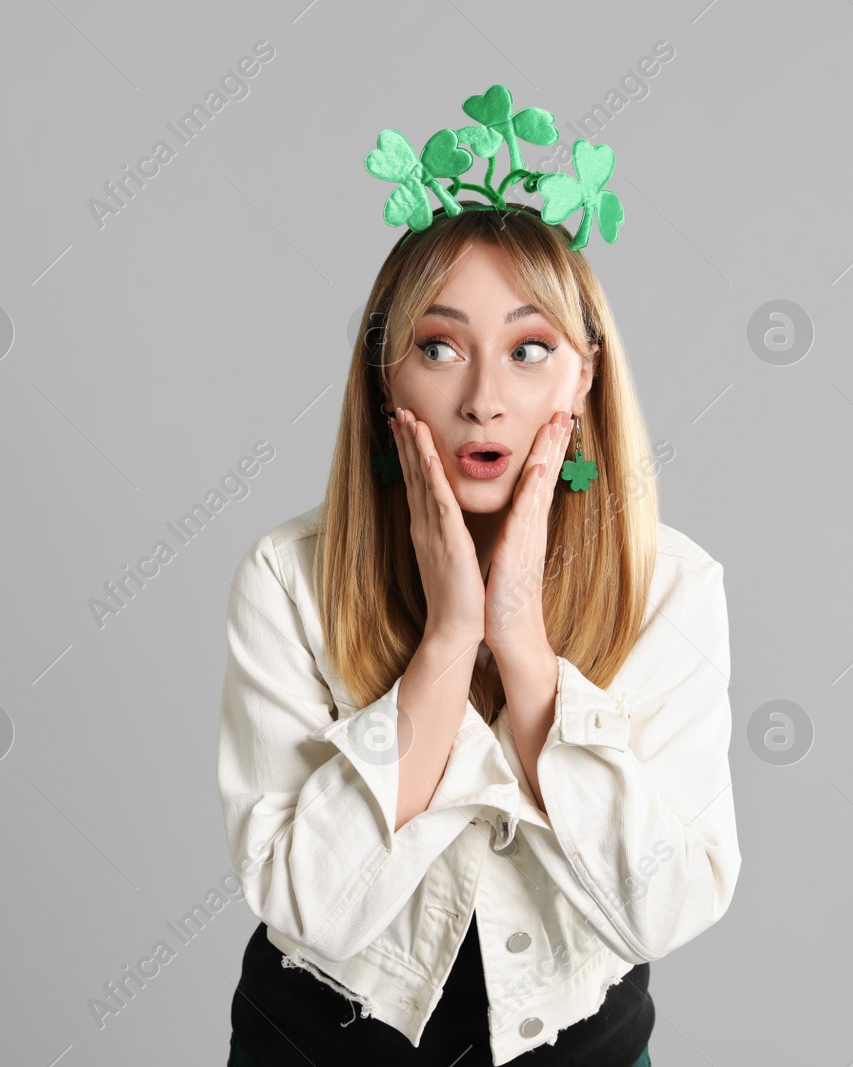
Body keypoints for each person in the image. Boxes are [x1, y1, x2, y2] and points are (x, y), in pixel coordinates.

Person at [216, 92, 740, 1066]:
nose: (484, 397)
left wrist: (524, 652)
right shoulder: (286, 577)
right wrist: (449, 643)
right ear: (385, 376)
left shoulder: (674, 585)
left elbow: (664, 905)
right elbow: (309, 906)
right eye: (438, 346)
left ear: (581, 378)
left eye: (529, 348)